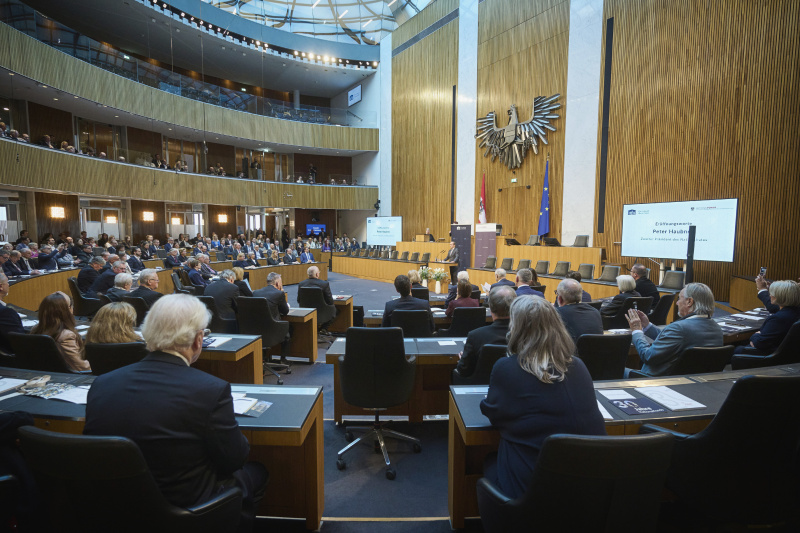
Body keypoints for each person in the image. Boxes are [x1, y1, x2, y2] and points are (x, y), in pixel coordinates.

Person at [84, 294, 267, 521]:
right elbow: (234, 459)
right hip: (185, 511)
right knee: (257, 472)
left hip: (113, 508)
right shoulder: (211, 390)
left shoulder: (102, 383)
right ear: (198, 340)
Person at [479, 295, 606, 499]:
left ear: (516, 328)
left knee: (488, 461)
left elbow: (493, 414)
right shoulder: (578, 366)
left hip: (532, 494)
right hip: (589, 489)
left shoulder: (507, 368)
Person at [625, 282, 724, 376]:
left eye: (679, 299)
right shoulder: (716, 328)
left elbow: (648, 356)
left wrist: (637, 331)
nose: (677, 303)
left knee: (614, 369)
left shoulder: (679, 328)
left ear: (689, 301)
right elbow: (671, 339)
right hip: (689, 382)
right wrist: (647, 326)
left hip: (656, 380)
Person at [454, 285, 515, 379]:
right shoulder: (526, 334)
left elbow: (463, 370)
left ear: (490, 308)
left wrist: (464, 359)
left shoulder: (475, 336)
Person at [734, 280, 800, 355]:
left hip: (770, 356)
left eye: (771, 293)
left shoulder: (778, 319)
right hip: (789, 353)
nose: (770, 295)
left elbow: (760, 343)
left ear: (777, 297)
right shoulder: (795, 311)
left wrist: (756, 335)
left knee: (735, 349)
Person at [31, 292, 90, 372]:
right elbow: (81, 367)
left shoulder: (36, 329)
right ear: (67, 311)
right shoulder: (67, 336)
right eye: (70, 306)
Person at [253, 272, 291, 364]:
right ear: (277, 283)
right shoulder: (279, 293)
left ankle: (265, 357)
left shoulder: (256, 292)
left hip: (256, 328)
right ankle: (283, 359)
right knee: (289, 330)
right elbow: (285, 311)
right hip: (272, 329)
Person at [555, 278, 603, 346]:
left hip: (572, 355)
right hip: (597, 355)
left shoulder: (556, 314)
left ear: (560, 299)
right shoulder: (595, 311)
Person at [299, 265, 337, 330]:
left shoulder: (301, 284)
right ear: (317, 274)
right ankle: (322, 329)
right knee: (335, 310)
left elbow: (298, 300)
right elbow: (330, 301)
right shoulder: (324, 284)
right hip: (322, 311)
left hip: (306, 311)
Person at [0, 274, 24, 354]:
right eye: (7, 282)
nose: (8, 285)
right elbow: (20, 342)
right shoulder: (6, 313)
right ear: (1, 286)